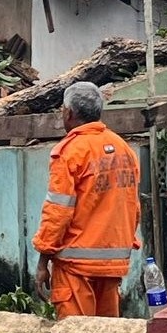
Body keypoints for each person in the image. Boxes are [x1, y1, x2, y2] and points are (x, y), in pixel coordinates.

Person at [32, 81, 141, 319]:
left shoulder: (70, 152)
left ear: (68, 112)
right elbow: (134, 208)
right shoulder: (124, 150)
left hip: (75, 267)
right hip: (112, 266)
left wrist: (43, 262)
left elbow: (58, 212)